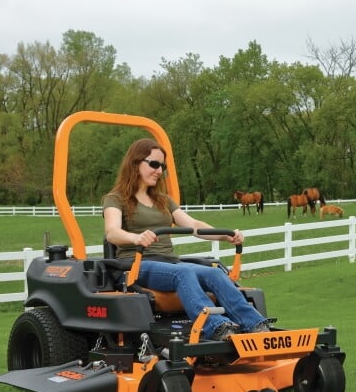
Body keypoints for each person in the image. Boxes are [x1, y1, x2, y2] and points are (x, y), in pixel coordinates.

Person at [102, 138, 269, 341]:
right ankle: (214, 327)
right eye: (154, 164)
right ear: (135, 163)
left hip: (169, 264)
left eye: (162, 166)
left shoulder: (163, 200)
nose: (158, 170)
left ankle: (255, 325)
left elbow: (193, 226)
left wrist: (226, 235)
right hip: (137, 265)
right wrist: (136, 237)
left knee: (214, 273)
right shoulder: (116, 198)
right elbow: (112, 232)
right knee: (184, 271)